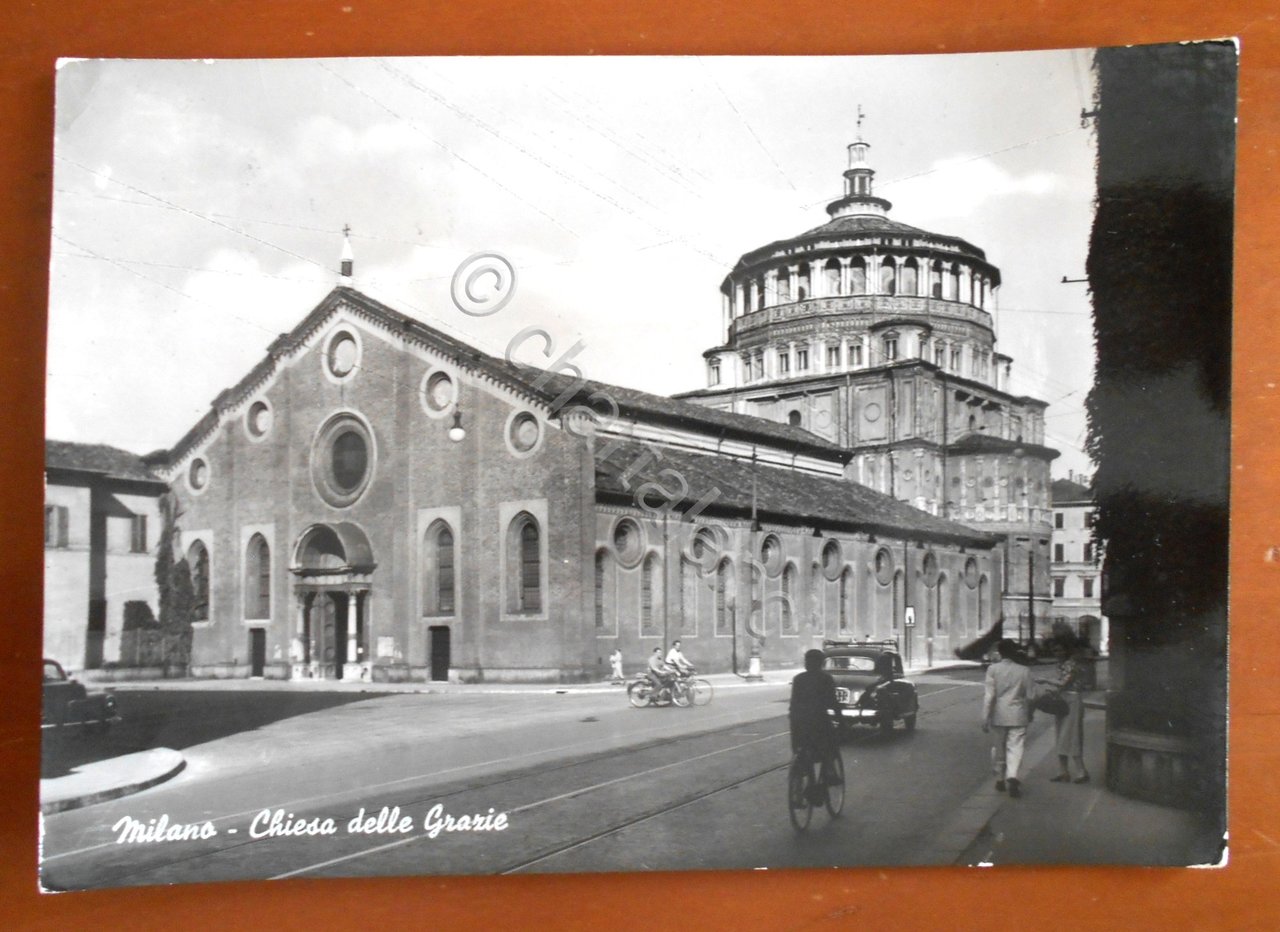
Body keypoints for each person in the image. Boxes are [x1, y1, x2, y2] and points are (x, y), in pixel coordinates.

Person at [983, 639, 1034, 798]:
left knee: (999, 747)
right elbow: (1031, 697)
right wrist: (1030, 713)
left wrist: (985, 717)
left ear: (1000, 652)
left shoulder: (993, 669)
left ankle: (999, 778)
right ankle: (1012, 775)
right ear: (1014, 652)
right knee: (1016, 747)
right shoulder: (1024, 671)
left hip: (999, 714)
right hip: (1018, 714)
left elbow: (989, 696)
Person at [789, 648, 841, 801]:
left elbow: (794, 704)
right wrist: (841, 720)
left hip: (799, 723)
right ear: (821, 664)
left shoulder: (798, 679)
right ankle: (830, 772)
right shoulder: (826, 679)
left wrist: (793, 721)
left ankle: (798, 792)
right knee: (831, 746)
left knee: (800, 753)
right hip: (820, 723)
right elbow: (833, 702)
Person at [1047, 640, 1091, 784]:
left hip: (1072, 700)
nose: (1057, 653)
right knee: (1060, 735)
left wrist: (1045, 681)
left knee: (1072, 735)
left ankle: (1081, 771)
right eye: (1055, 650)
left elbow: (1063, 683)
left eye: (1060, 650)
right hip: (1062, 700)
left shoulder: (1071, 664)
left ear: (1067, 651)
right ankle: (1063, 772)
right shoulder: (1061, 665)